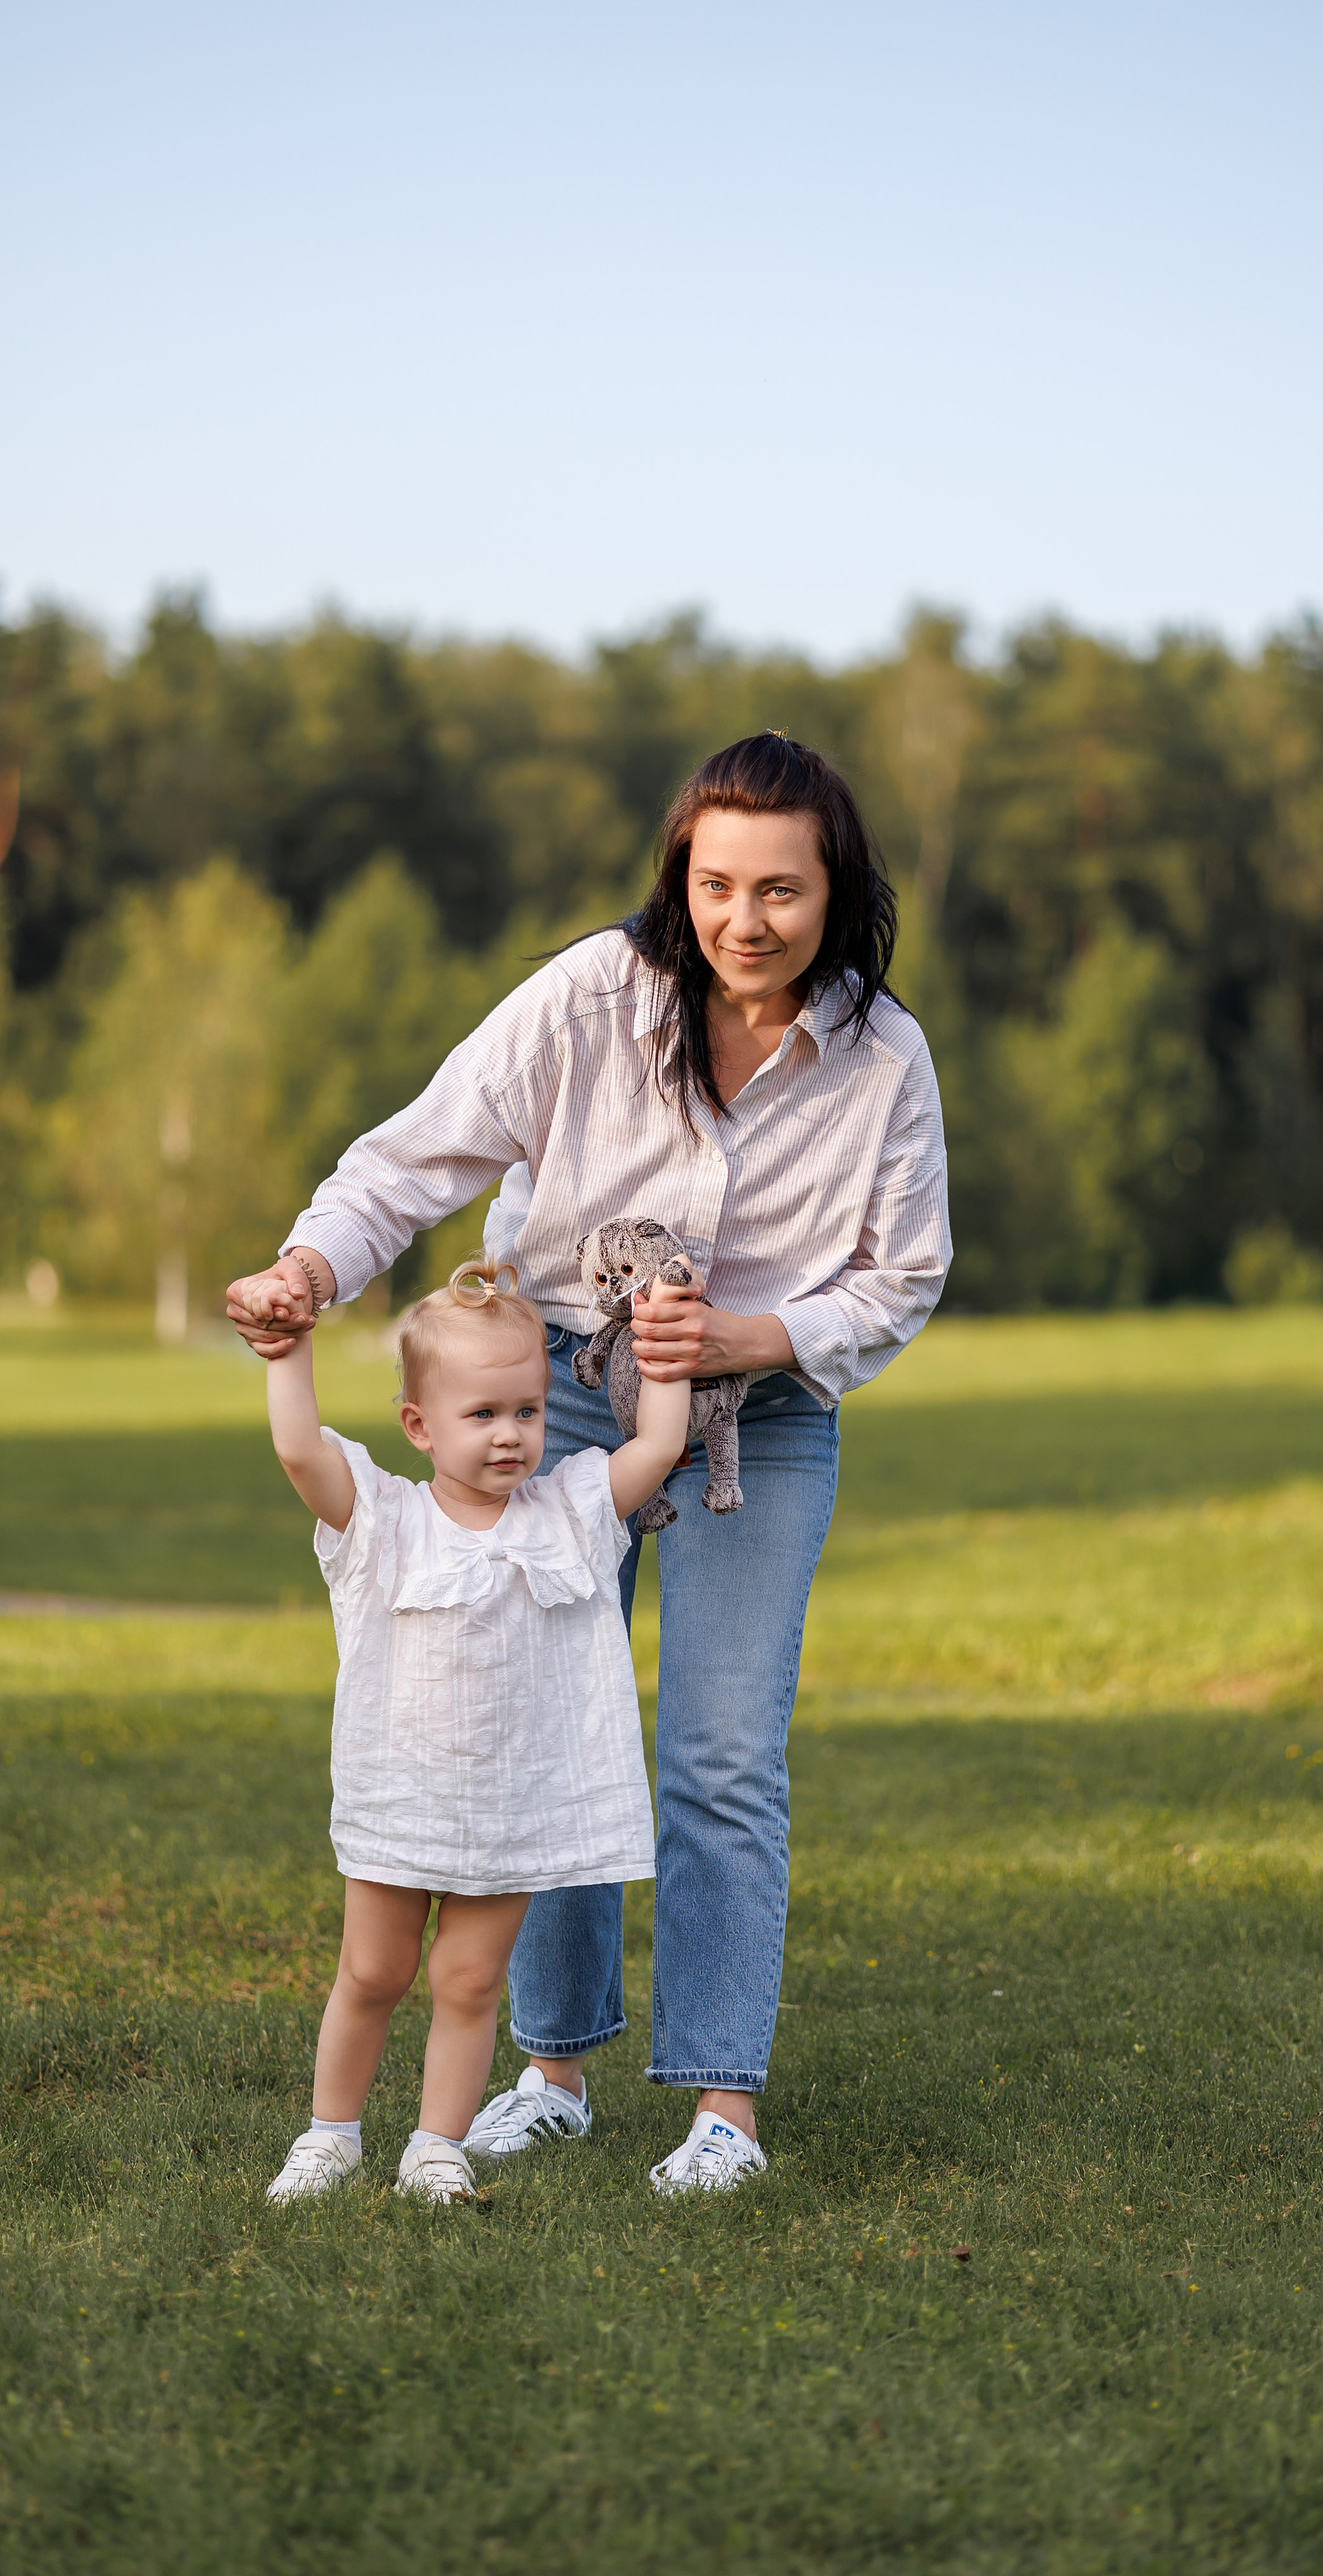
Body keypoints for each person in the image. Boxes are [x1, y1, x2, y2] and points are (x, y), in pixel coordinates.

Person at [231, 731, 949, 2195]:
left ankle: (719, 2114)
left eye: (780, 892)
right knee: (540, 1718)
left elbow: (902, 1278)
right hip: (552, 1391)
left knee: (721, 1753)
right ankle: (550, 2070)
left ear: (836, 892)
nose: (742, 921)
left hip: (768, 1413)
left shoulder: (882, 1058)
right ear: (678, 878)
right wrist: (311, 1265)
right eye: (714, 884)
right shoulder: (587, 999)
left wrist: (750, 1335)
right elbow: (414, 1160)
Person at [263, 1259, 691, 2205]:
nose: (511, 1435)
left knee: (468, 1983)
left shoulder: (571, 1513)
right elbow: (301, 1450)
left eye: (528, 1412)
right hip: (400, 1799)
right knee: (372, 1972)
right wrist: (289, 1351)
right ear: (419, 1425)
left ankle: (435, 2145)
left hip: (513, 1810)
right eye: (483, 1414)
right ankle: (330, 2136)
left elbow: (659, 1445)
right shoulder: (384, 1521)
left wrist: (658, 1333)